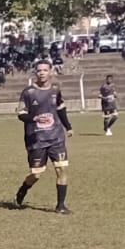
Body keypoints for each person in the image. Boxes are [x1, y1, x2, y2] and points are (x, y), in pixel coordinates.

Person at [14, 59, 74, 215]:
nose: (42, 73)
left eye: (45, 70)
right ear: (35, 72)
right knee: (37, 174)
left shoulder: (55, 89)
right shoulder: (29, 92)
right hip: (36, 139)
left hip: (56, 136)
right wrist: (33, 118)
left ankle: (60, 205)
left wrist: (68, 126)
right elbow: (21, 114)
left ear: (51, 71)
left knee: (62, 169)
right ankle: (23, 189)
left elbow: (60, 108)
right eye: (39, 70)